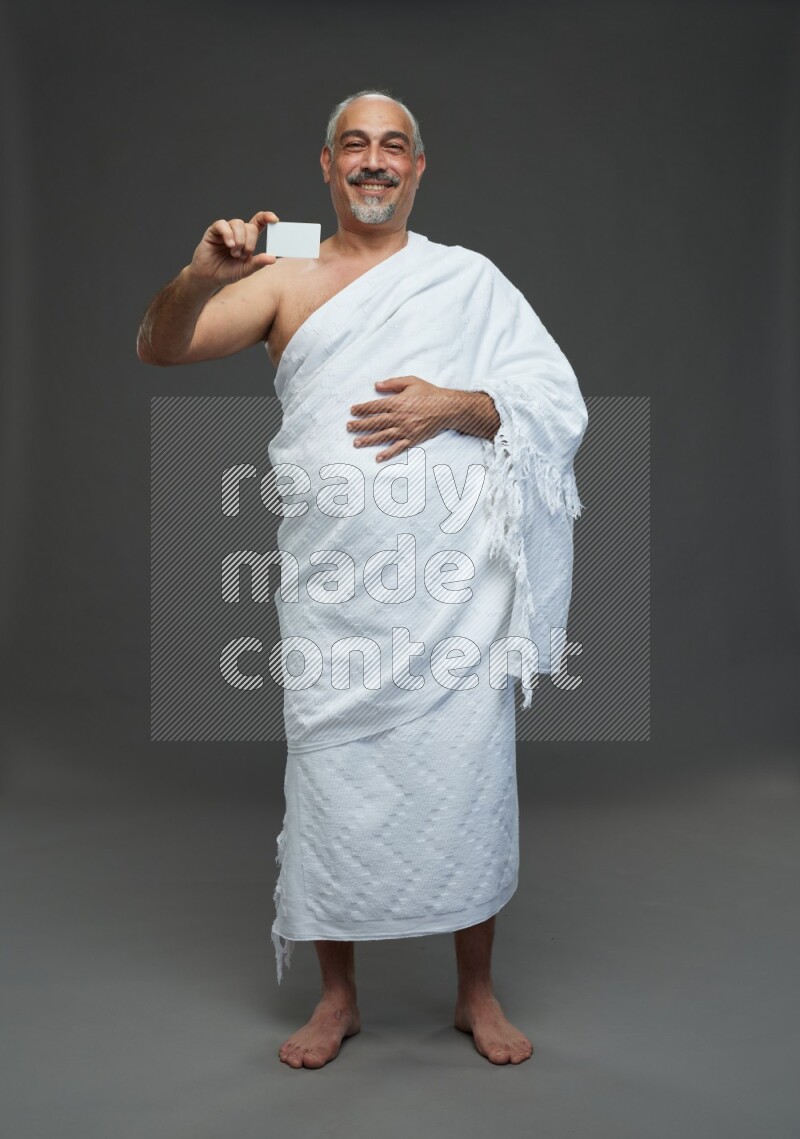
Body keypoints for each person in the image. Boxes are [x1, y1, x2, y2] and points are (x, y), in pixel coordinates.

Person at [137, 88, 588, 1069]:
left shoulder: (470, 281)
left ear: (418, 169)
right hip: (334, 592)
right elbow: (160, 347)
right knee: (331, 778)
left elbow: (553, 399)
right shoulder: (283, 280)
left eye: (393, 147)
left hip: (453, 589)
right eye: (355, 146)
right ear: (326, 167)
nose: (374, 161)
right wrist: (197, 271)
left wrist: (456, 403)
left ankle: (475, 989)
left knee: (466, 778)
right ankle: (335, 995)